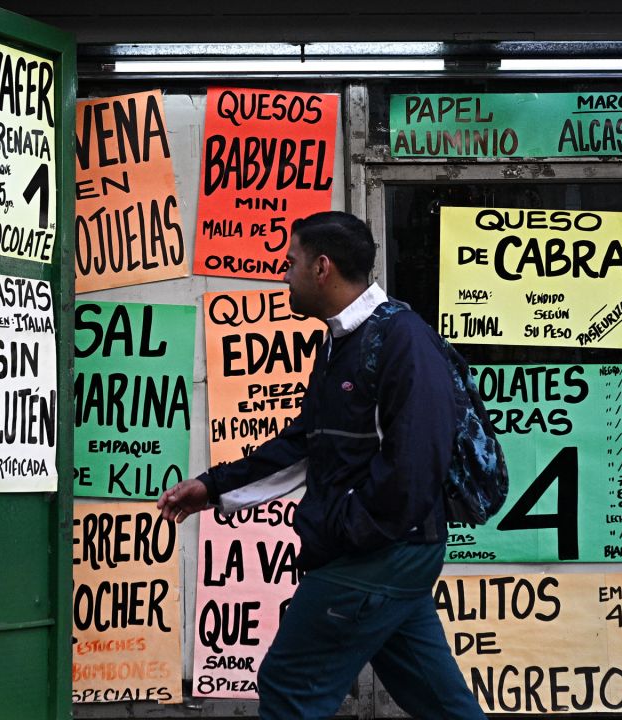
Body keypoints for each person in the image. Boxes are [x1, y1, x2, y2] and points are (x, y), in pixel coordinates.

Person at [157, 211, 486, 719]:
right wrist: (212, 487)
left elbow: (415, 469)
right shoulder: (342, 341)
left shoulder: (403, 341)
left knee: (290, 685)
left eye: (290, 263)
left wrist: (343, 529)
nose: (282, 275)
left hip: (378, 553)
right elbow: (306, 444)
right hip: (390, 553)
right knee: (440, 702)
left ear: (322, 268)